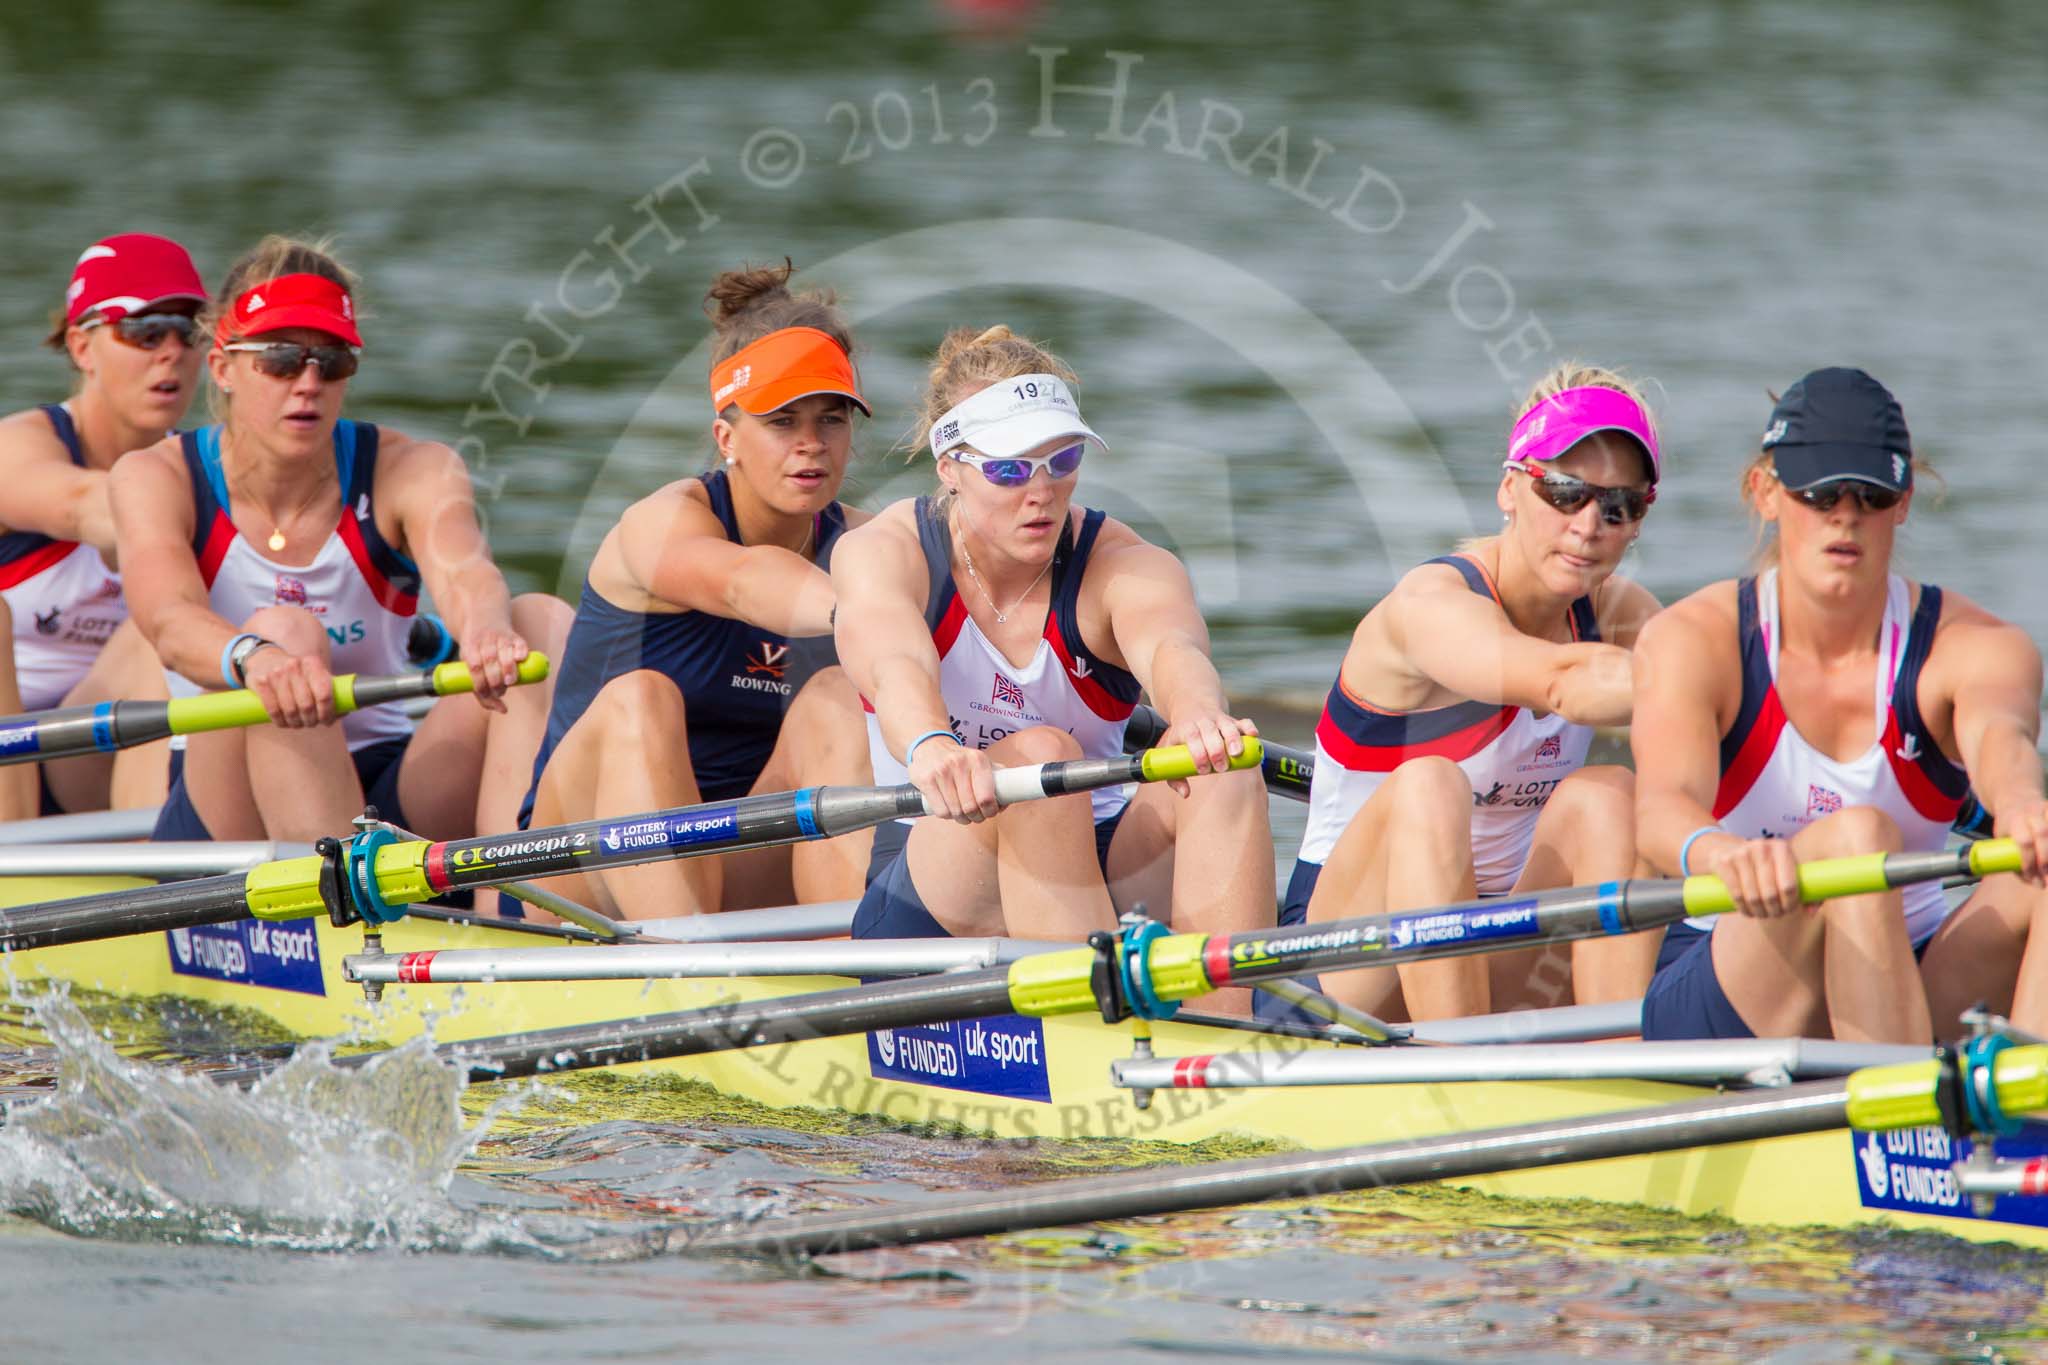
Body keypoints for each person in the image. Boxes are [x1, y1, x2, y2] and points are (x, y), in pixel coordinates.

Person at [833, 326, 1272, 1010]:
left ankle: (1226, 1047)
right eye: (1009, 468)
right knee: (1038, 760)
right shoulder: (885, 552)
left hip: (1102, 866)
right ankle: (1098, 1052)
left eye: (1061, 458)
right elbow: (892, 660)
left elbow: (1171, 649)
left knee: (1225, 764)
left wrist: (1196, 716)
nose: (1040, 490)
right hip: (935, 885)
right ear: (949, 465)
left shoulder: (1123, 563)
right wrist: (932, 743)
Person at [1633, 367, 2048, 1043]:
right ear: (1763, 492)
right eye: (1819, 490)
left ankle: (2031, 1123)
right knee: (1856, 839)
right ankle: (1901, 1133)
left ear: (1905, 500)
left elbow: (2002, 738)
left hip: (1907, 977)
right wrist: (1721, 854)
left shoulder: (1976, 645)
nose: (1845, 513)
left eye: (1872, 493)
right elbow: (1660, 808)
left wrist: (2024, 807)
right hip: (1733, 981)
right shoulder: (1693, 638)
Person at [111, 236, 568, 845]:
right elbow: (169, 621)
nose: (308, 382)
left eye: (332, 361)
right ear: (223, 367)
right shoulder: (156, 476)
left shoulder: (413, 469)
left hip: (381, 781)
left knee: (536, 620)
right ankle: (338, 920)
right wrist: (258, 657)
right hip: (224, 795)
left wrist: (485, 629)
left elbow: (465, 573)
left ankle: (513, 906)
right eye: (279, 359)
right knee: (287, 632)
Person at [1289, 365, 1664, 1022]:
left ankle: (1625, 1068)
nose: (1588, 524)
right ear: (1511, 487)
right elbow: (1561, 682)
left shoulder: (1625, 613)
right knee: (1429, 784)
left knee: (1610, 795)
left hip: (1492, 950)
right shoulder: (1431, 603)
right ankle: (1455, 1064)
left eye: (1619, 504)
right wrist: (1705, 682)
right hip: (1340, 965)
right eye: (1565, 490)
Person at [517, 262, 874, 920]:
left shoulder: (870, 545)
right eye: (781, 421)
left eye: (832, 419)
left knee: (834, 696)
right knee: (640, 699)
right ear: (725, 437)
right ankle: (689, 971)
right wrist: (872, 613)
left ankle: (858, 980)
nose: (811, 445)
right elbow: (742, 582)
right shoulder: (660, 526)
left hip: (737, 866)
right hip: (580, 873)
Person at [0, 234, 208, 818]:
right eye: (145, 331)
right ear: (82, 346)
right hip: (9, 757)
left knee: (160, 631)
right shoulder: (20, 447)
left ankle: (159, 881)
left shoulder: (199, 464)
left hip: (94, 761)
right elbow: (82, 505)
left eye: (188, 331)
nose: (170, 351)